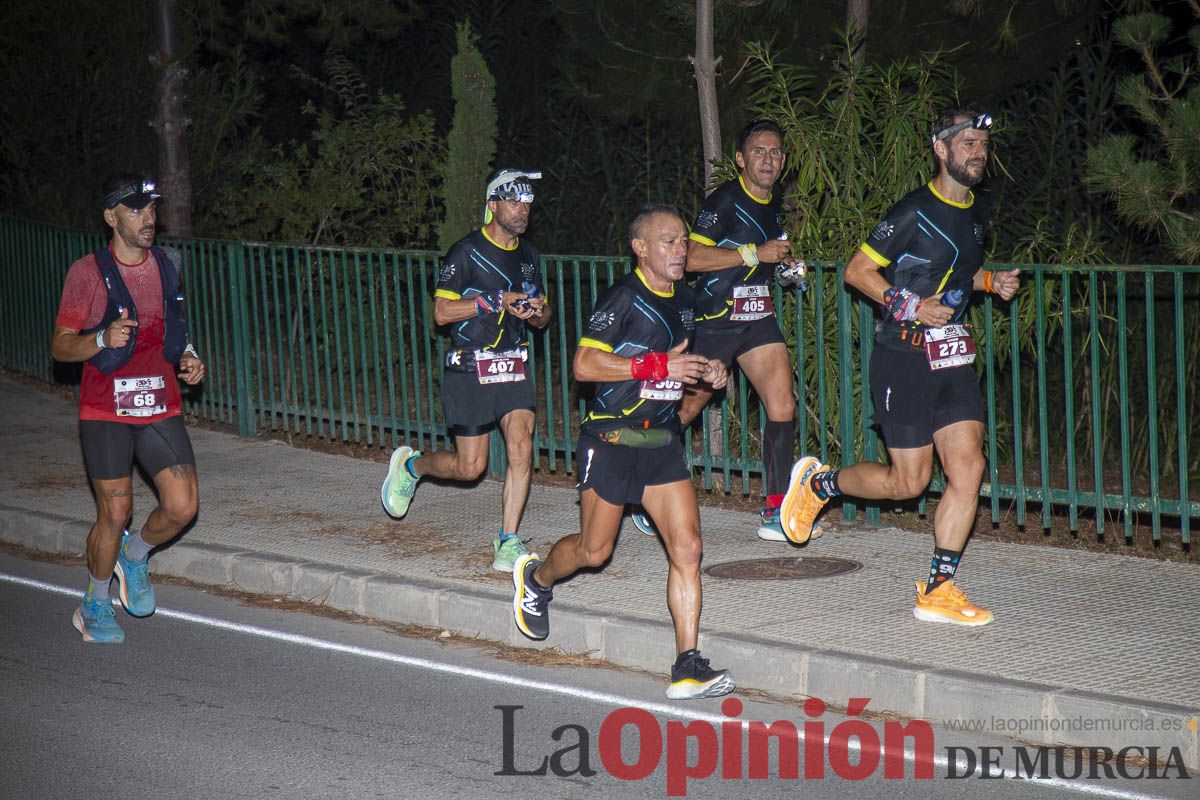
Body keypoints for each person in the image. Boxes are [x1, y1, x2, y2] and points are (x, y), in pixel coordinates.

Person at [780, 108, 1021, 626]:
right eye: (968, 143)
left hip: (951, 354)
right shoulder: (912, 210)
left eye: (983, 144)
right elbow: (857, 271)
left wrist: (990, 282)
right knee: (908, 483)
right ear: (942, 148)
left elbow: (959, 269)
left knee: (969, 467)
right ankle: (821, 486)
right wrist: (912, 306)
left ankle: (939, 587)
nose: (978, 152)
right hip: (904, 355)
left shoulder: (978, 211)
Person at [511, 204, 735, 700]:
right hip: (610, 439)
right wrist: (656, 367)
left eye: (683, 242)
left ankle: (687, 664)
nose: (681, 251)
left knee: (689, 549)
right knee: (594, 552)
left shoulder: (684, 300)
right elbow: (585, 365)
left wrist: (710, 372)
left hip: (660, 441)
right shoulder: (622, 298)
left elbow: (681, 365)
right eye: (670, 242)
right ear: (640, 248)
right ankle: (536, 577)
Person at [633, 119, 809, 543]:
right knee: (685, 411)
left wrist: (781, 267)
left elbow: (761, 257)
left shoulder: (774, 202)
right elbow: (690, 257)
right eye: (758, 151)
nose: (767, 159)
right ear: (740, 159)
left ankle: (775, 508)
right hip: (715, 319)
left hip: (758, 318)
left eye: (775, 152)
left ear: (783, 160)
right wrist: (752, 252)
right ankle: (639, 485)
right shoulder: (726, 200)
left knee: (782, 403)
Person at [51, 174, 205, 644]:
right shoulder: (87, 273)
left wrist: (189, 356)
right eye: (136, 210)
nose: (148, 219)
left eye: (152, 209)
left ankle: (133, 557)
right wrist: (100, 338)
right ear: (110, 217)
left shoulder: (167, 264)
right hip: (105, 411)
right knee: (115, 513)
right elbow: (60, 347)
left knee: (183, 506)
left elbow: (171, 329)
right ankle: (94, 603)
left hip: (158, 403)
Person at [381, 168, 552, 572]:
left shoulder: (529, 257)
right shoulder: (465, 253)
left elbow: (543, 317)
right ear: (492, 205)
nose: (522, 211)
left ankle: (507, 541)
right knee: (469, 467)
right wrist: (495, 300)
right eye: (513, 202)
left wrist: (537, 312)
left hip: (513, 363)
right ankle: (411, 466)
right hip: (470, 368)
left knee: (521, 447)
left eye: (527, 203)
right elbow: (440, 314)